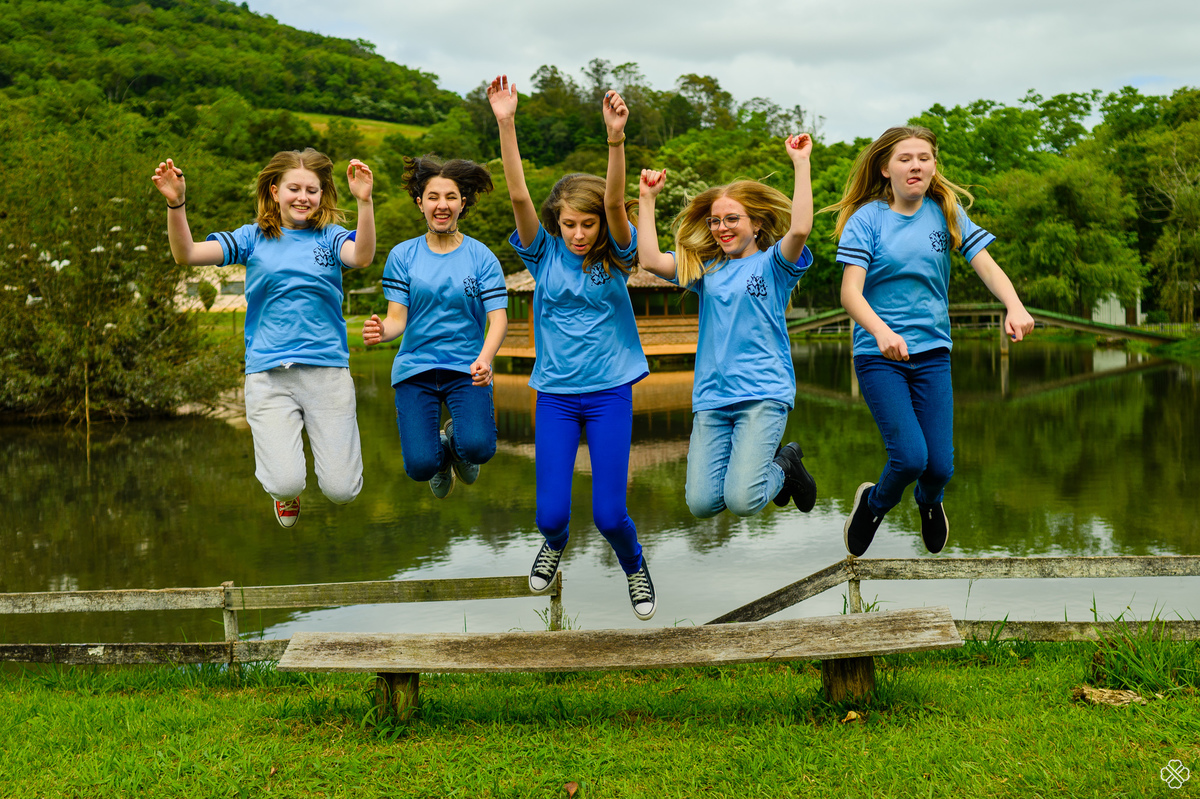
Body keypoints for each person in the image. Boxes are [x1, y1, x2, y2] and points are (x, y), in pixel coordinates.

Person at [487, 74, 657, 621]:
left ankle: (634, 566)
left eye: (587, 225)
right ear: (556, 224)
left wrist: (615, 139)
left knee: (610, 514)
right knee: (548, 515)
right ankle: (555, 544)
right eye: (569, 225)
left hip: (609, 393)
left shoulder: (619, 254)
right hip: (555, 395)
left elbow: (613, 201)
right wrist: (506, 123)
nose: (579, 233)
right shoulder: (543, 255)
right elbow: (517, 194)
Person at [827, 125, 1035, 557]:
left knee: (939, 465)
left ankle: (929, 501)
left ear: (934, 165)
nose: (916, 165)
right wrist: (882, 332)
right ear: (886, 168)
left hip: (933, 353)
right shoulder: (868, 219)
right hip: (879, 356)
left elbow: (987, 266)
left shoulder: (947, 212)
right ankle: (874, 503)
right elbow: (849, 293)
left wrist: (1014, 305)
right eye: (905, 158)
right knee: (909, 457)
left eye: (924, 157)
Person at [151, 148, 376, 528]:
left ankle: (318, 481)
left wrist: (365, 202)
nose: (303, 197)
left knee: (342, 491)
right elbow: (186, 254)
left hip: (327, 373)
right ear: (274, 190)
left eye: (313, 190)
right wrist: (177, 205)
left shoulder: (332, 237)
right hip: (269, 375)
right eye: (294, 188)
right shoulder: (252, 238)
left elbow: (363, 257)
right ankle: (286, 494)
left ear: (322, 195)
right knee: (286, 481)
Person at [636, 136, 819, 525]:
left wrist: (800, 163)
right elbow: (650, 259)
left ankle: (786, 464)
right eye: (715, 220)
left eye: (732, 219)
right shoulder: (707, 269)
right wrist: (647, 200)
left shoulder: (774, 265)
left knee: (742, 499)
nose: (721, 227)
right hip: (712, 399)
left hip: (762, 394)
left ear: (756, 224)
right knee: (702, 504)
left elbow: (801, 228)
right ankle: (779, 469)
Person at [362, 156, 508, 498]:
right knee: (420, 466)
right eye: (433, 197)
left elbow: (498, 318)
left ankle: (458, 441)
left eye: (451, 197)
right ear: (420, 203)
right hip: (416, 369)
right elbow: (398, 318)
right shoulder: (402, 255)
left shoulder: (482, 256)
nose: (442, 205)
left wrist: (485, 359)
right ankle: (441, 457)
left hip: (466, 368)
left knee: (479, 449)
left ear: (462, 203)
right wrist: (382, 331)